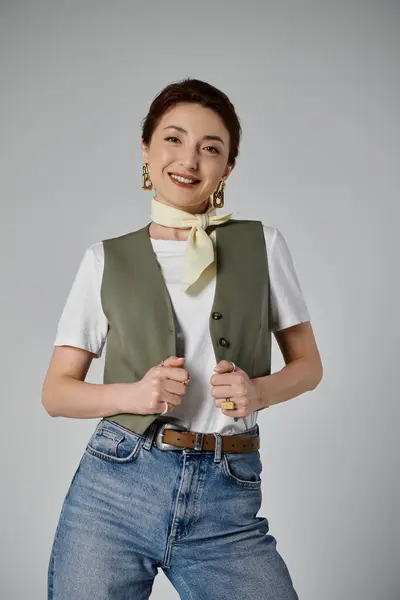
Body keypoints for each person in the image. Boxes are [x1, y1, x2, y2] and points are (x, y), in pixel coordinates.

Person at [43, 77, 323, 600]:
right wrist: (132, 395)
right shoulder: (106, 259)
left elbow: (309, 365)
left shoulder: (262, 245)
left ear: (228, 168)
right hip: (116, 488)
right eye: (173, 139)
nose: (189, 160)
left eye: (210, 148)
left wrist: (259, 392)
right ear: (146, 150)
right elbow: (56, 392)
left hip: (228, 490)